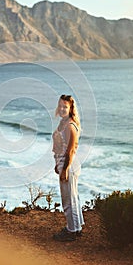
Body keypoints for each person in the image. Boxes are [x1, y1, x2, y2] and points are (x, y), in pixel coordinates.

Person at [52, 94, 84, 242]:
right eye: (60, 106)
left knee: (68, 200)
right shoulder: (63, 123)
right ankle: (77, 227)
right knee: (73, 197)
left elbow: (70, 151)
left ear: (70, 109)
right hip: (65, 163)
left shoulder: (70, 126)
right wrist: (56, 164)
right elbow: (60, 147)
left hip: (69, 164)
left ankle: (72, 231)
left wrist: (64, 169)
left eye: (65, 106)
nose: (62, 109)